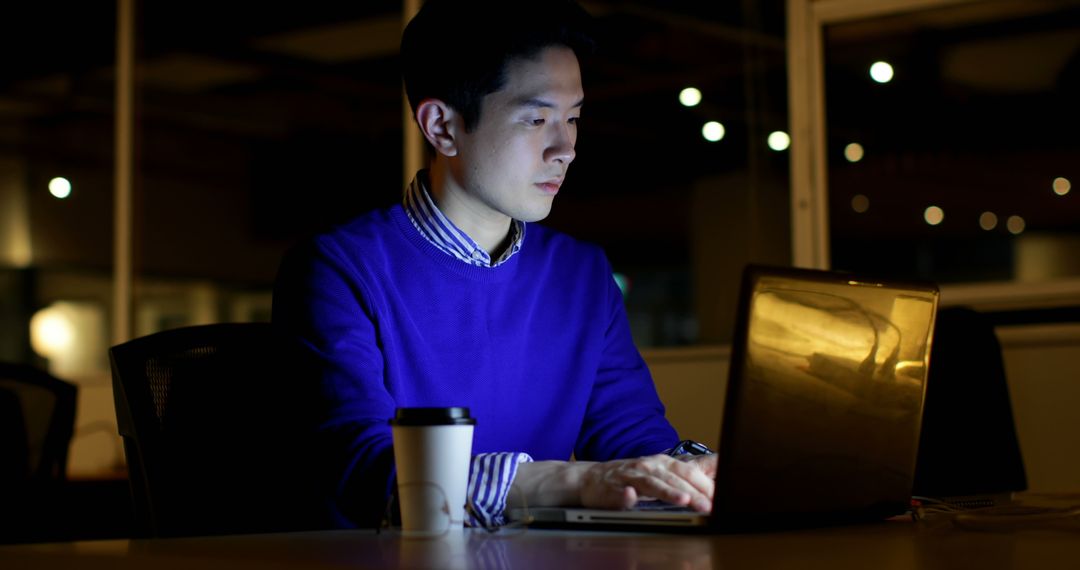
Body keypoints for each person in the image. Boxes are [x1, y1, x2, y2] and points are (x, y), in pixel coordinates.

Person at [272, 0, 716, 529]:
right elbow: (362, 469)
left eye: (573, 118)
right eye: (537, 118)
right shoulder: (338, 268)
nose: (566, 147)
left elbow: (636, 441)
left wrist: (695, 474)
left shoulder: (581, 275)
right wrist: (568, 481)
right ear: (442, 126)